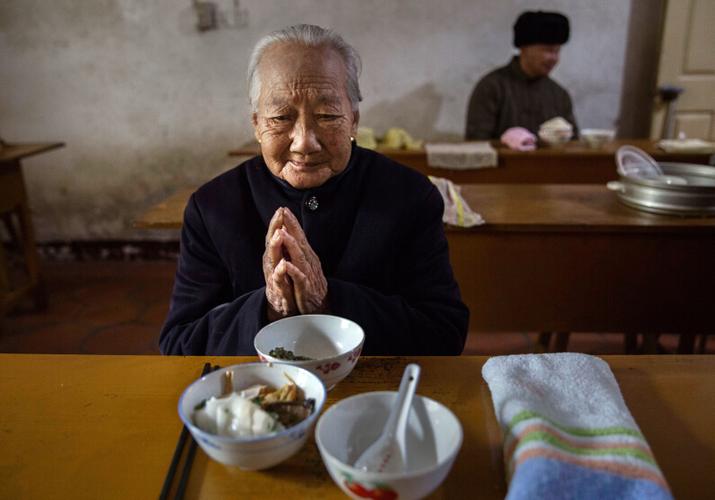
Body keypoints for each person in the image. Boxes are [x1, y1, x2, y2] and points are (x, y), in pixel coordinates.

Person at [159, 24, 468, 356]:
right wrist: (270, 308)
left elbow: (443, 333)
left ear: (353, 120)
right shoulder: (213, 207)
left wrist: (329, 301)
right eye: (280, 117)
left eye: (327, 115)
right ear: (256, 124)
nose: (304, 141)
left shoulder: (409, 196)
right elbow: (180, 344)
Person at [465, 10, 578, 146]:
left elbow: (572, 144)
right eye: (547, 50)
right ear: (524, 48)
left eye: (557, 51)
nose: (554, 58)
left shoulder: (559, 95)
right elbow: (476, 144)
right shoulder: (492, 87)